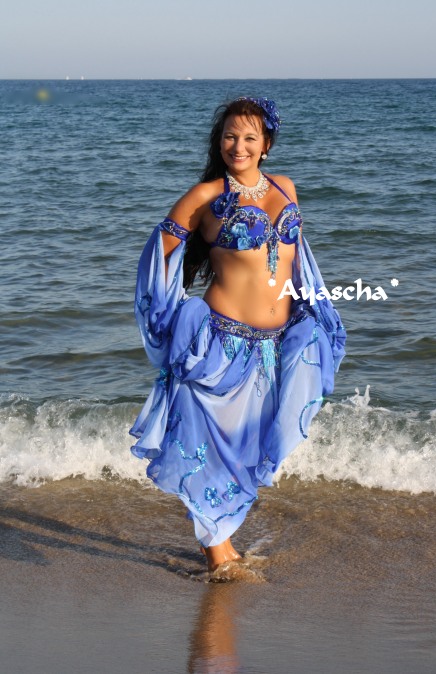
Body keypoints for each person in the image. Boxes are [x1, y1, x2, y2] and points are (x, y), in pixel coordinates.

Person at [129, 97, 346, 573]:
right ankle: (218, 557)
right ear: (219, 141)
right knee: (207, 446)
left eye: (250, 137)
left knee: (250, 445)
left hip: (275, 345)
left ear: (266, 144)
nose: (238, 146)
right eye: (230, 136)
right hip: (219, 346)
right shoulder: (203, 197)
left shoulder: (286, 188)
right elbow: (157, 261)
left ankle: (222, 544)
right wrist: (175, 319)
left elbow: (296, 260)